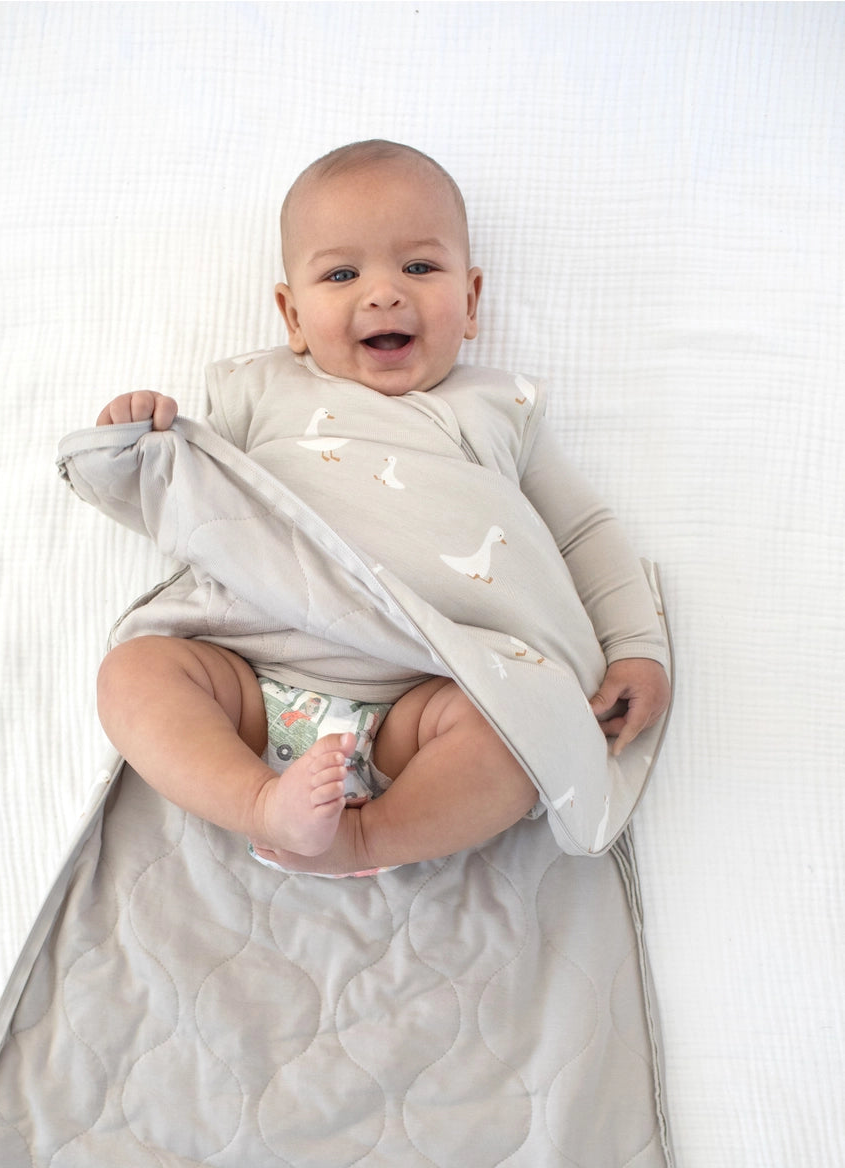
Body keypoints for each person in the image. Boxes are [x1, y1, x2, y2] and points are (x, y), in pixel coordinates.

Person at [93, 140, 670, 877]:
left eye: (419, 268)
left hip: (423, 695)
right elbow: (186, 499)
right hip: (252, 667)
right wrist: (133, 444)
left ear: (470, 302)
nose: (384, 294)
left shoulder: (499, 409)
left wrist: (636, 646)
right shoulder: (257, 390)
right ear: (292, 315)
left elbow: (582, 531)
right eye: (342, 275)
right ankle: (261, 803)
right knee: (134, 673)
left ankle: (367, 839)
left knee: (519, 737)